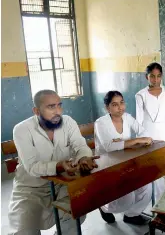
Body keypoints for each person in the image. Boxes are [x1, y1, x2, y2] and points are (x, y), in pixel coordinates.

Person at [8, 90, 99, 235]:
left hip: (62, 183)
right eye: (51, 107)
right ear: (36, 111)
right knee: (24, 230)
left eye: (59, 105)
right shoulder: (22, 130)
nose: (58, 111)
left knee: (75, 216)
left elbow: (80, 146)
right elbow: (32, 167)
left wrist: (83, 158)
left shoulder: (68, 122)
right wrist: (58, 165)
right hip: (30, 188)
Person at [94, 91, 153, 225]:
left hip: (126, 163)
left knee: (147, 186)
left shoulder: (127, 117)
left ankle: (131, 215)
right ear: (107, 108)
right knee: (128, 197)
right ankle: (103, 207)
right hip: (106, 166)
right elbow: (109, 147)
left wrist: (121, 142)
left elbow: (143, 131)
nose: (120, 107)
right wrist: (133, 141)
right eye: (114, 104)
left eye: (122, 103)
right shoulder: (101, 123)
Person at [135, 62, 165, 201]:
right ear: (146, 77)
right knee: (155, 172)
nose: (155, 80)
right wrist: (140, 141)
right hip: (149, 137)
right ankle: (159, 206)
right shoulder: (140, 95)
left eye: (159, 76)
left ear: (162, 76)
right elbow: (139, 121)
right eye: (152, 76)